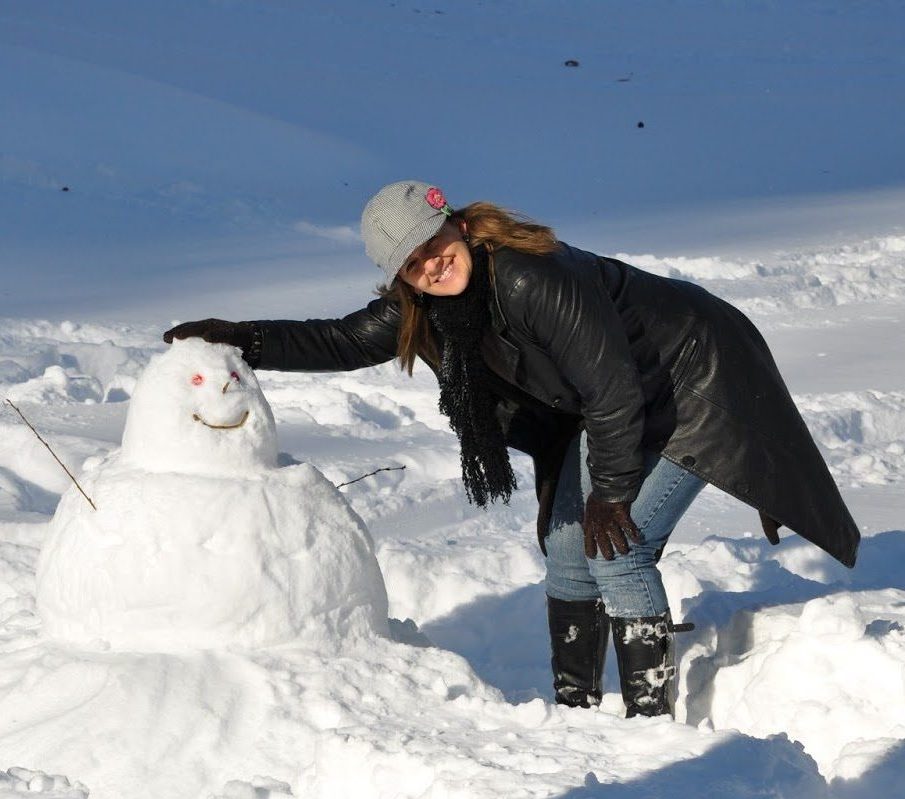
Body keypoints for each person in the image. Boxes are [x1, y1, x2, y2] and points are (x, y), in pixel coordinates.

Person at [163, 180, 859, 719]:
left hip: (696, 386)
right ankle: (577, 713)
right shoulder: (427, 306)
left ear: (458, 226)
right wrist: (241, 338)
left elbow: (613, 388)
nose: (432, 266)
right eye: (412, 263)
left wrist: (611, 494)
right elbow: (342, 340)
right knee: (566, 552)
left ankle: (649, 724)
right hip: (618, 402)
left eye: (435, 245)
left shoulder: (532, 276)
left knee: (616, 549)